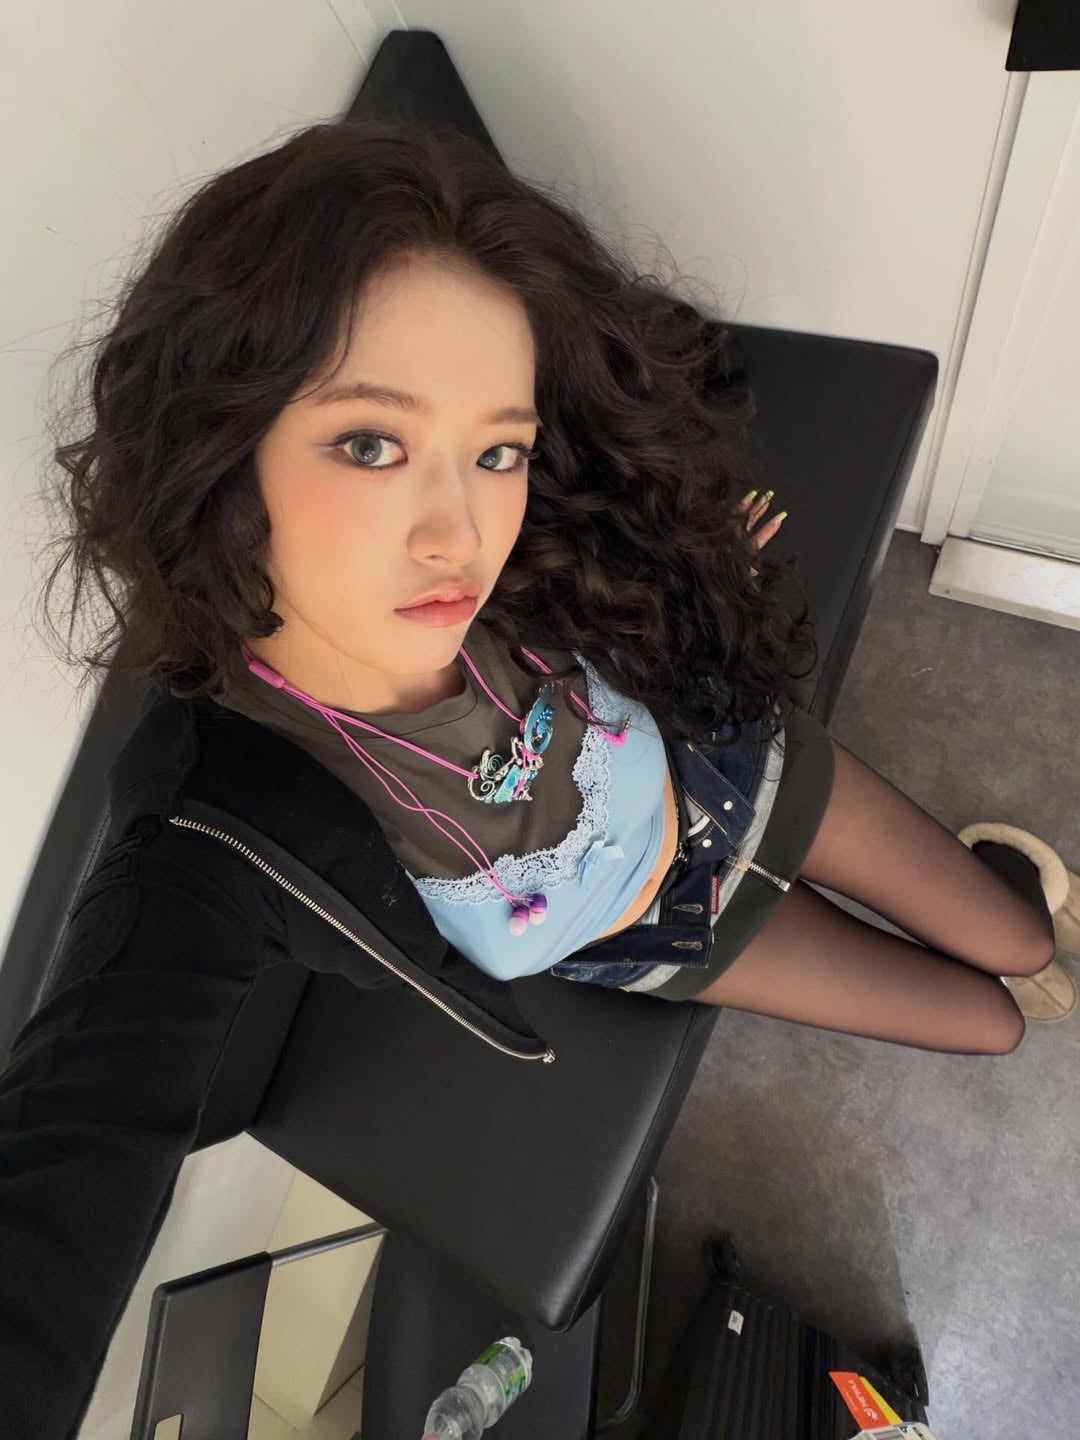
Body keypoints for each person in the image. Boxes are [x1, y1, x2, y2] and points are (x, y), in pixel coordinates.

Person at [1, 120, 1068, 1438]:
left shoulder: (528, 537)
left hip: (731, 764)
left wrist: (690, 568)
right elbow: (74, 1142)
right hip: (658, 932)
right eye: (371, 445)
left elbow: (623, 482)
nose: (461, 533)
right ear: (219, 452)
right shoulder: (217, 820)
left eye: (496, 450)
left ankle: (1022, 913)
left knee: (1018, 937)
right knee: (992, 1023)